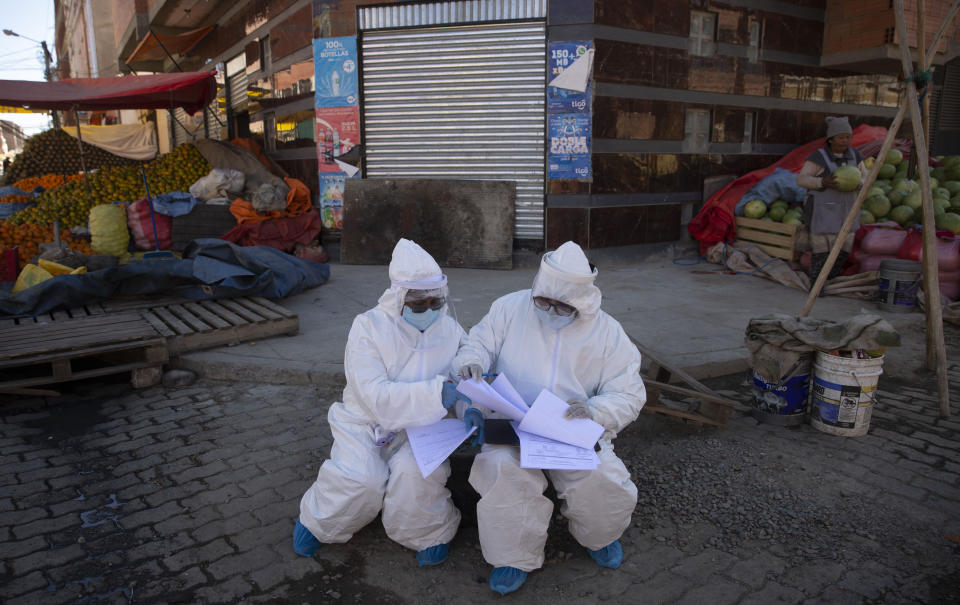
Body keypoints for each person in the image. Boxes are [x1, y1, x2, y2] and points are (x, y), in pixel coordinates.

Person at [452, 241, 646, 595]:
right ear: (536, 290)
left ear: (583, 301)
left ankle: (600, 537)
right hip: (511, 423)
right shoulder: (510, 308)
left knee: (600, 479)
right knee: (503, 473)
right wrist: (472, 362)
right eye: (544, 301)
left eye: (563, 305)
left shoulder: (607, 332)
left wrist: (597, 411)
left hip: (571, 428)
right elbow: (478, 343)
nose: (551, 310)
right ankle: (512, 556)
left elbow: (629, 392)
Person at [293, 238, 468, 566]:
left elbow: (465, 375)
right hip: (366, 422)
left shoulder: (450, 329)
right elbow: (371, 394)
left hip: (424, 426)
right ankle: (319, 522)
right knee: (361, 479)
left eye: (436, 302)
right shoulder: (368, 327)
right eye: (419, 304)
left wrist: (471, 405)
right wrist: (435, 394)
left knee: (416, 474)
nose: (429, 310)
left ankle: (426, 532)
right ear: (399, 297)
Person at [796, 116, 867, 282]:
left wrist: (859, 183)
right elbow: (801, 179)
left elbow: (865, 176)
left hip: (847, 210)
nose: (845, 141)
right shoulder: (818, 157)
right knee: (822, 249)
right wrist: (822, 181)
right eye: (840, 137)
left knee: (844, 246)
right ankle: (816, 282)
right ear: (831, 139)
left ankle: (831, 279)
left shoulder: (855, 155)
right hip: (823, 210)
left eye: (848, 137)